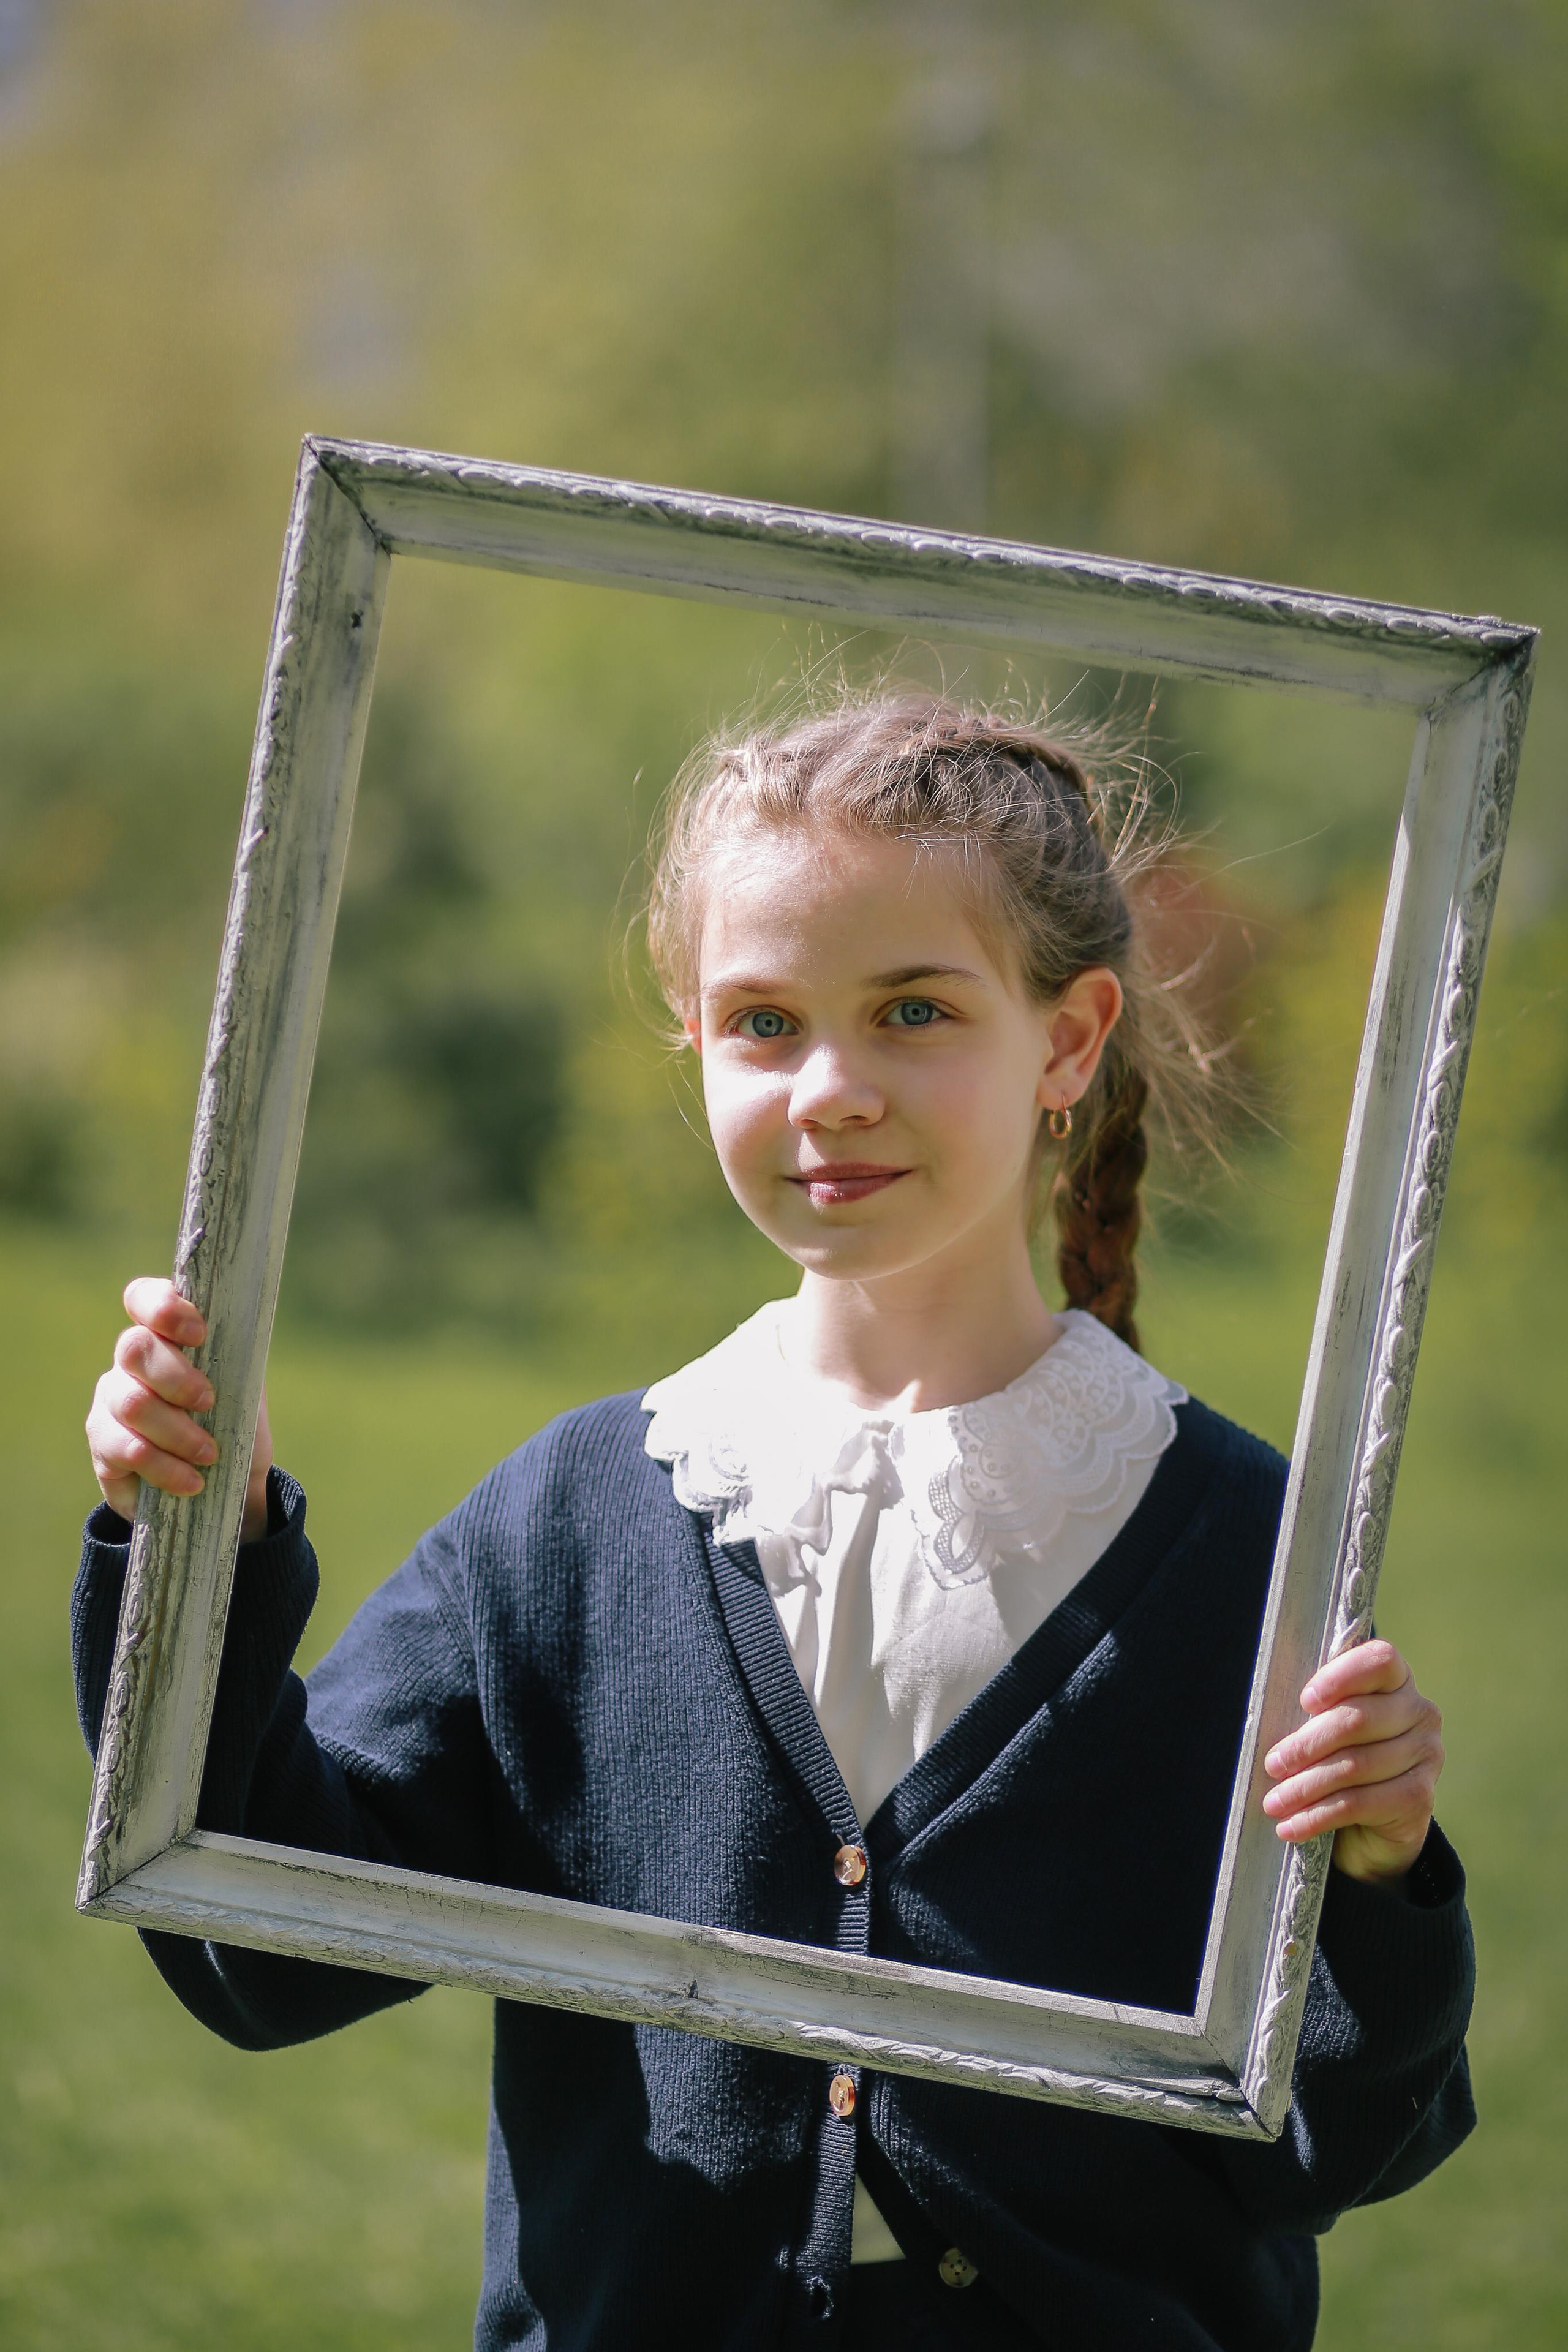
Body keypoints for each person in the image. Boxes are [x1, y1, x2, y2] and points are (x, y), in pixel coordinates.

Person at [76, 692, 1469, 2352]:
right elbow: (262, 1949)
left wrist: (1380, 1877)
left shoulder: (1243, 1547)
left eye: (913, 1011)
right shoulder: (578, 1518)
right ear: (690, 1036)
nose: (830, 1089)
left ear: (1071, 1041)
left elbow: (1338, 2131)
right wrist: (195, 1554)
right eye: (761, 1022)